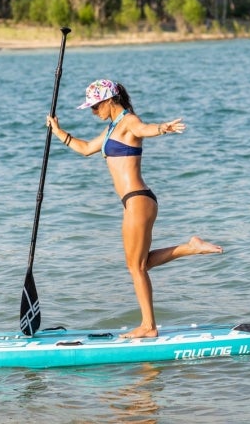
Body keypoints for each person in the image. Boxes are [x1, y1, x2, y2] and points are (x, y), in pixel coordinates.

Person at [46, 79, 223, 339]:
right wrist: (58, 131)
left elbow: (144, 129)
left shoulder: (128, 121)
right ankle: (190, 247)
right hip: (134, 202)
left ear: (109, 100)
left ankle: (149, 326)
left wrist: (163, 128)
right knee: (138, 264)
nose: (94, 112)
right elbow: (85, 149)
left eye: (96, 106)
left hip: (139, 200)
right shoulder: (112, 128)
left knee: (136, 267)